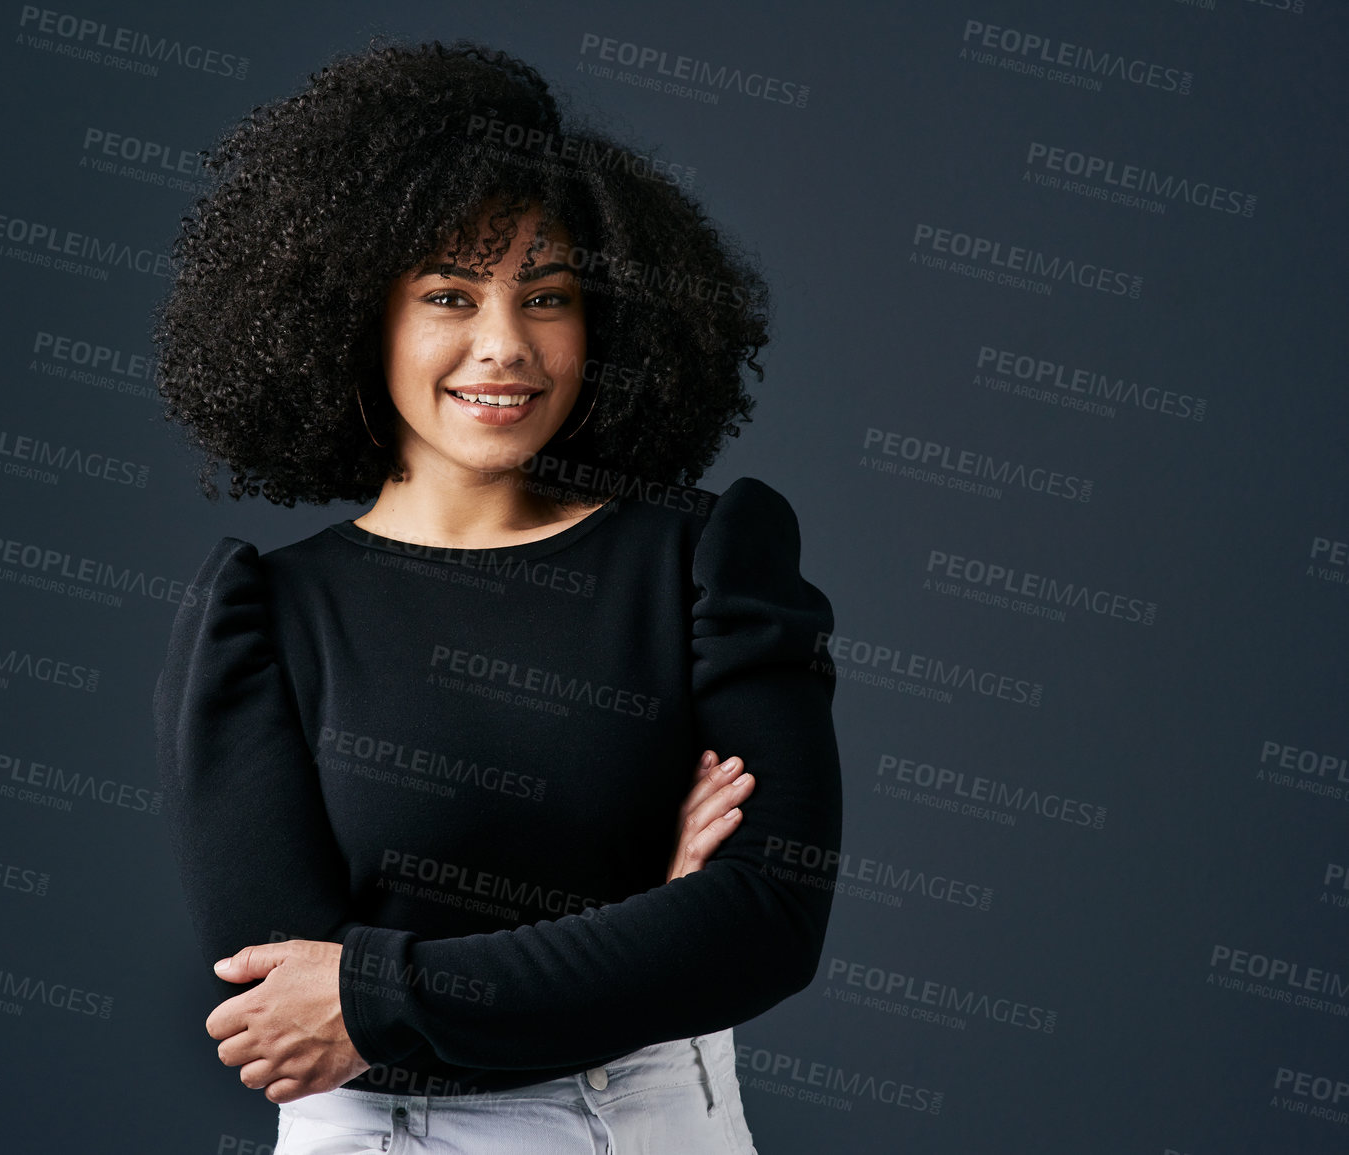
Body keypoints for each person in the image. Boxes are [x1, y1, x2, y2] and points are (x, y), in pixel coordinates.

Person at [150, 39, 842, 1155]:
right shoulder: (266, 618)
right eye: (449, 295)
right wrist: (642, 917)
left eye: (549, 296)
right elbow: (281, 1015)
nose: (504, 346)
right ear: (355, 321)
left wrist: (379, 986)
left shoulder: (708, 560)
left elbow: (767, 928)